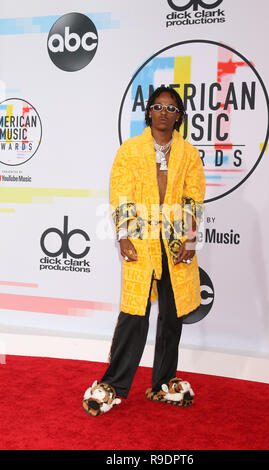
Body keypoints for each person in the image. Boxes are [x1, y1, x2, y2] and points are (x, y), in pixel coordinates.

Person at [83, 86, 206, 417]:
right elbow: (120, 194)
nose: (164, 113)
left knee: (172, 314)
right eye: (158, 107)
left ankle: (164, 382)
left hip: (176, 240)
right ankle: (113, 384)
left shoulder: (189, 155)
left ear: (179, 117)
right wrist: (123, 234)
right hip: (140, 239)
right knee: (134, 314)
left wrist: (190, 239)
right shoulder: (130, 150)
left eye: (171, 109)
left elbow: (194, 199)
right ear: (148, 112)